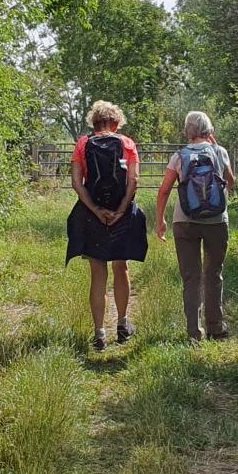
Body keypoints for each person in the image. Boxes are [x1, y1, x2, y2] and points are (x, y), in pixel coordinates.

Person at [66, 100, 149, 350]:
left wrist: (95, 210)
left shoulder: (83, 144)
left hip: (92, 216)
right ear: (115, 123)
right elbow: (133, 180)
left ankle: (99, 333)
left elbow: (77, 183)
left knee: (97, 273)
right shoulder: (127, 144)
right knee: (120, 267)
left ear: (94, 123)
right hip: (121, 214)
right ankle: (123, 324)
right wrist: (121, 210)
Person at [156, 111, 237, 341]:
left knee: (191, 278)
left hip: (184, 222)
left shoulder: (179, 156)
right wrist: (219, 150)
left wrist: (160, 220)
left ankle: (194, 332)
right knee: (213, 273)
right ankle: (216, 327)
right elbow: (231, 183)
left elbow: (163, 190)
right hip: (216, 222)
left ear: (187, 131)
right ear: (209, 131)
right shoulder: (220, 152)